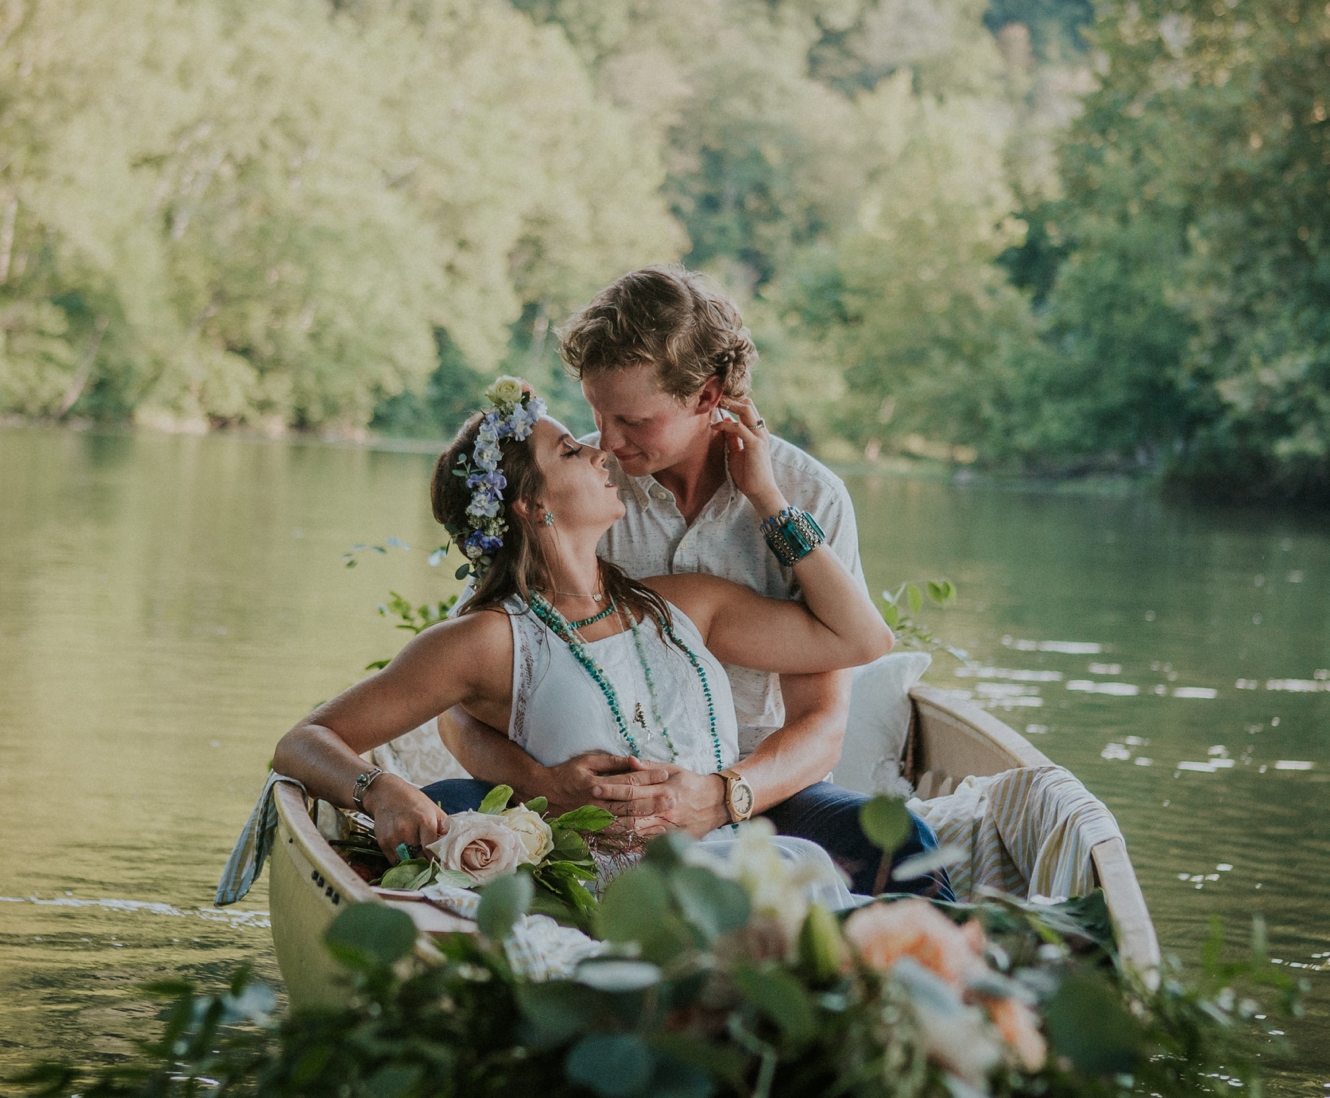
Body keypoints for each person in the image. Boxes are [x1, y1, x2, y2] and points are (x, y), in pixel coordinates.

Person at [434, 266, 943, 897]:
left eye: (634, 422)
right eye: (597, 412)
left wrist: (721, 797)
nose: (609, 442)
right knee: (443, 812)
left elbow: (821, 722)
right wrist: (548, 786)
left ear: (708, 396)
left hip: (761, 793)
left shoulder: (811, 495)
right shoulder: (571, 493)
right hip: (583, 799)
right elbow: (457, 706)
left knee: (897, 840)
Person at [269, 375, 895, 887]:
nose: (603, 451)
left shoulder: (682, 606)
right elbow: (304, 741)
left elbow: (862, 640)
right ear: (532, 505)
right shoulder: (488, 639)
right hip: (605, 882)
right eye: (572, 450)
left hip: (732, 853)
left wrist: (769, 499)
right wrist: (381, 790)